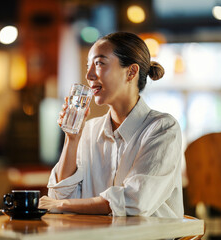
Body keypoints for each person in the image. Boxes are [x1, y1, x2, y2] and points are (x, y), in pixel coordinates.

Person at [39, 32, 184, 218]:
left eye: (99, 63)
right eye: (88, 66)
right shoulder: (90, 130)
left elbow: (134, 201)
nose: (89, 74)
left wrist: (62, 204)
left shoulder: (163, 128)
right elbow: (59, 195)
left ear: (131, 72)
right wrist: (72, 138)